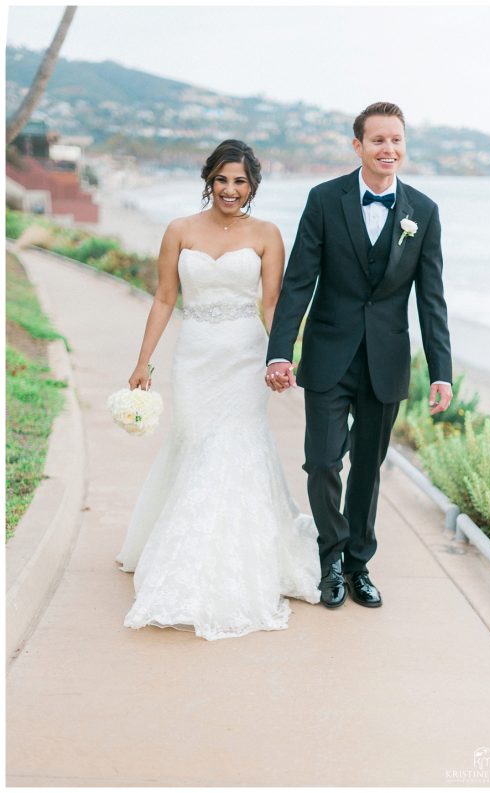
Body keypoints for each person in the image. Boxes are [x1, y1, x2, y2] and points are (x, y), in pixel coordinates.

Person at [116, 139, 321, 640]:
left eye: (240, 181)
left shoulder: (267, 234)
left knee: (232, 447)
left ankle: (231, 557)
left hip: (245, 357)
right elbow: (165, 298)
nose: (230, 189)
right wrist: (143, 361)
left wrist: (281, 356)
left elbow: (271, 304)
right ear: (209, 180)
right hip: (195, 357)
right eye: (222, 179)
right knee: (194, 444)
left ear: (252, 186)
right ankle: (181, 545)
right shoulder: (179, 230)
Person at [265, 102, 453, 610]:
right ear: (358, 146)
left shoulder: (423, 211)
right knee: (322, 463)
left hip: (386, 361)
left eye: (396, 140)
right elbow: (299, 281)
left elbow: (431, 299)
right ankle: (330, 558)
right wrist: (280, 352)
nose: (388, 149)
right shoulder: (325, 199)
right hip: (329, 354)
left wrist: (441, 372)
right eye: (378, 140)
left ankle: (357, 565)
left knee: (368, 469)